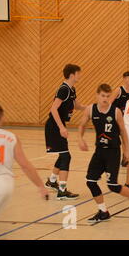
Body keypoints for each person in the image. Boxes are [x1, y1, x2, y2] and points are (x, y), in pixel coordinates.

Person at [78, 84, 129, 222]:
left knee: (113, 185)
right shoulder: (90, 110)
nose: (105, 99)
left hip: (113, 152)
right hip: (99, 151)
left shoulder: (115, 111)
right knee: (90, 181)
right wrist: (80, 138)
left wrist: (127, 150)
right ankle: (103, 211)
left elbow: (123, 131)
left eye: (107, 96)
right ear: (97, 95)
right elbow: (81, 125)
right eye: (102, 96)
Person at [0, 103, 49, 216]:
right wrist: (40, 186)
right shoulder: (11, 137)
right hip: (3, 186)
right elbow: (25, 165)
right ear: (1, 118)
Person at [44, 64, 86, 200]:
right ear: (72, 75)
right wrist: (61, 127)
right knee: (66, 156)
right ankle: (62, 190)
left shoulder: (71, 89)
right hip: (54, 126)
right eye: (79, 73)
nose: (80, 76)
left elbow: (77, 105)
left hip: (58, 126)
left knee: (63, 155)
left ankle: (52, 181)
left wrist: (91, 108)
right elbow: (53, 109)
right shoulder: (64, 89)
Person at [109, 71, 129, 167]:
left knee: (125, 139)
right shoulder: (118, 90)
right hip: (115, 119)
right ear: (124, 79)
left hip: (125, 120)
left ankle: (125, 159)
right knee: (115, 140)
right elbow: (110, 103)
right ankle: (113, 159)